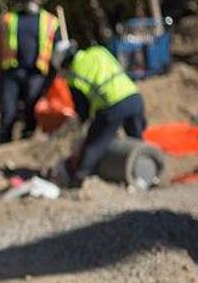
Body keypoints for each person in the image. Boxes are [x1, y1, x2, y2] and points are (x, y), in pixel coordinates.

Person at [51, 41, 147, 186]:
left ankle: (79, 178)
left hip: (112, 106)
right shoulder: (98, 51)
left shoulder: (74, 76)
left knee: (94, 145)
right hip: (134, 97)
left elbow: (83, 109)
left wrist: (84, 125)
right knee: (136, 139)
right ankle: (145, 173)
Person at [0, 0, 62, 143]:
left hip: (36, 73)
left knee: (32, 109)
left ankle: (27, 138)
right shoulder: (10, 18)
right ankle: (5, 141)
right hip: (12, 70)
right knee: (8, 110)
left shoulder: (51, 21)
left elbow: (58, 47)